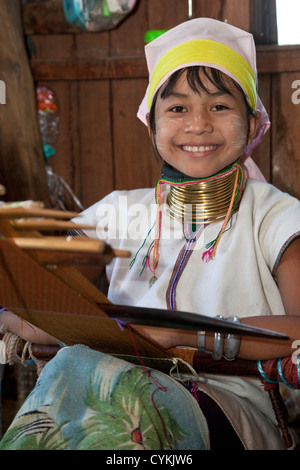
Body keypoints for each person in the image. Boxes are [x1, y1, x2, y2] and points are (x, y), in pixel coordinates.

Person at [1, 17, 300, 451]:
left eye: (219, 106)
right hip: (97, 384)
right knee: (73, 372)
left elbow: (297, 330)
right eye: (177, 108)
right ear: (151, 126)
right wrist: (30, 312)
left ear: (253, 125)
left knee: (108, 392)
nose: (197, 124)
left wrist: (180, 333)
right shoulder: (119, 211)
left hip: (235, 405)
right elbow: (45, 292)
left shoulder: (276, 216)